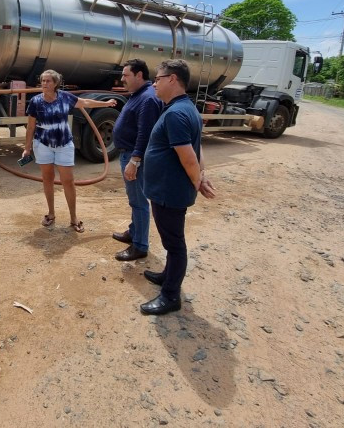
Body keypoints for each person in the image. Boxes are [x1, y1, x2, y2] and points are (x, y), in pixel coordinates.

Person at [140, 59, 216, 316]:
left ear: (172, 79)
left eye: (157, 79)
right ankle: (167, 276)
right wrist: (201, 176)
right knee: (171, 240)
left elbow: (187, 156)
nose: (154, 84)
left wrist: (198, 180)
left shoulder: (175, 113)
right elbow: (198, 147)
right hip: (167, 190)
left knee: (175, 244)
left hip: (169, 192)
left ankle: (171, 296)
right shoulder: (185, 108)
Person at [21, 69, 117, 233]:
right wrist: (27, 148)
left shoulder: (65, 97)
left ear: (56, 83)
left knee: (68, 181)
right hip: (43, 145)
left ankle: (73, 217)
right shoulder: (36, 102)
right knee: (47, 179)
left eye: (48, 81)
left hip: (64, 144)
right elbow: (31, 127)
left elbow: (85, 103)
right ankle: (51, 214)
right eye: (43, 81)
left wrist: (106, 104)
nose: (44, 84)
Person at [111, 59, 163, 261]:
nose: (122, 78)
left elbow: (145, 133)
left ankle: (140, 245)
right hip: (128, 153)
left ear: (139, 75)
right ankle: (134, 232)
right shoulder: (139, 95)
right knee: (134, 200)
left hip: (134, 155)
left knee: (139, 202)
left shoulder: (148, 99)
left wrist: (135, 160)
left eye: (126, 75)